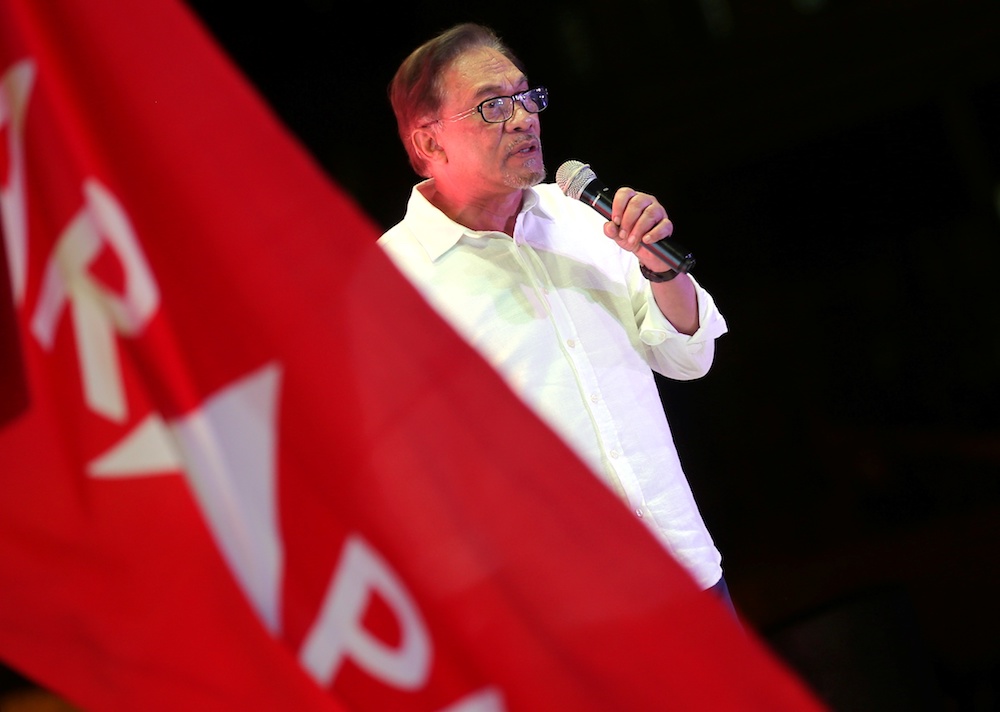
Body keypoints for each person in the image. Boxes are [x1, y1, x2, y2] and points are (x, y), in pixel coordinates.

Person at [379, 22, 734, 609]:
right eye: (493, 106)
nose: (523, 118)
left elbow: (689, 358)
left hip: (686, 576)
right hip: (559, 619)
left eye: (527, 97)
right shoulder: (391, 285)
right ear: (429, 144)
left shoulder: (584, 220)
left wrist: (661, 269)